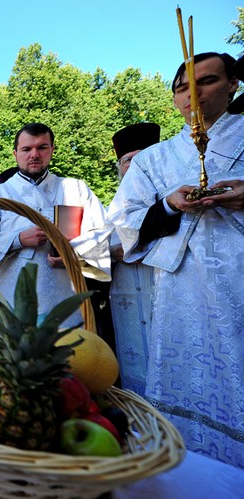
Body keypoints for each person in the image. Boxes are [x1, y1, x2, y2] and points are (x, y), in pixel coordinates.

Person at [108, 52, 244, 468]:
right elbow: (122, 222)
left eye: (206, 81)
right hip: (182, 289)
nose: (193, 95)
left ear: (233, 85)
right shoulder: (153, 160)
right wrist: (167, 205)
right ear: (173, 100)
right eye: (183, 87)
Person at [0, 122, 111, 327]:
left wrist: (71, 253)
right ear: (15, 153)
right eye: (26, 149)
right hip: (11, 304)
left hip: (65, 301)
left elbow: (101, 234)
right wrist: (18, 239)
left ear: (52, 150)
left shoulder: (77, 190)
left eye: (42, 147)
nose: (34, 154)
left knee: (70, 355)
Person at [107, 122, 160, 396]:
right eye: (128, 160)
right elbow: (95, 248)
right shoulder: (110, 209)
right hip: (125, 297)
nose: (135, 165)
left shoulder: (175, 197)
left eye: (143, 157)